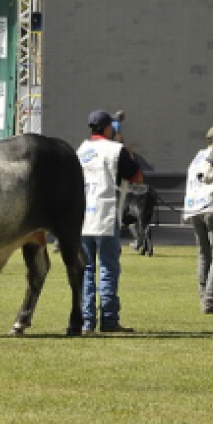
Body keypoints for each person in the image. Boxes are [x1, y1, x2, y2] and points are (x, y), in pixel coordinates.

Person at [76, 109, 143, 335]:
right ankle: (108, 320)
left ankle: (87, 322)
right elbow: (136, 176)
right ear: (107, 128)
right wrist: (129, 155)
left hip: (84, 217)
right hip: (106, 215)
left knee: (86, 269)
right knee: (108, 268)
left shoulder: (81, 150)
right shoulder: (115, 150)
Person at [184, 125, 213, 314]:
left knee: (204, 254)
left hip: (194, 209)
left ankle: (204, 297)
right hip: (212, 208)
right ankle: (210, 302)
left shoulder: (197, 157)